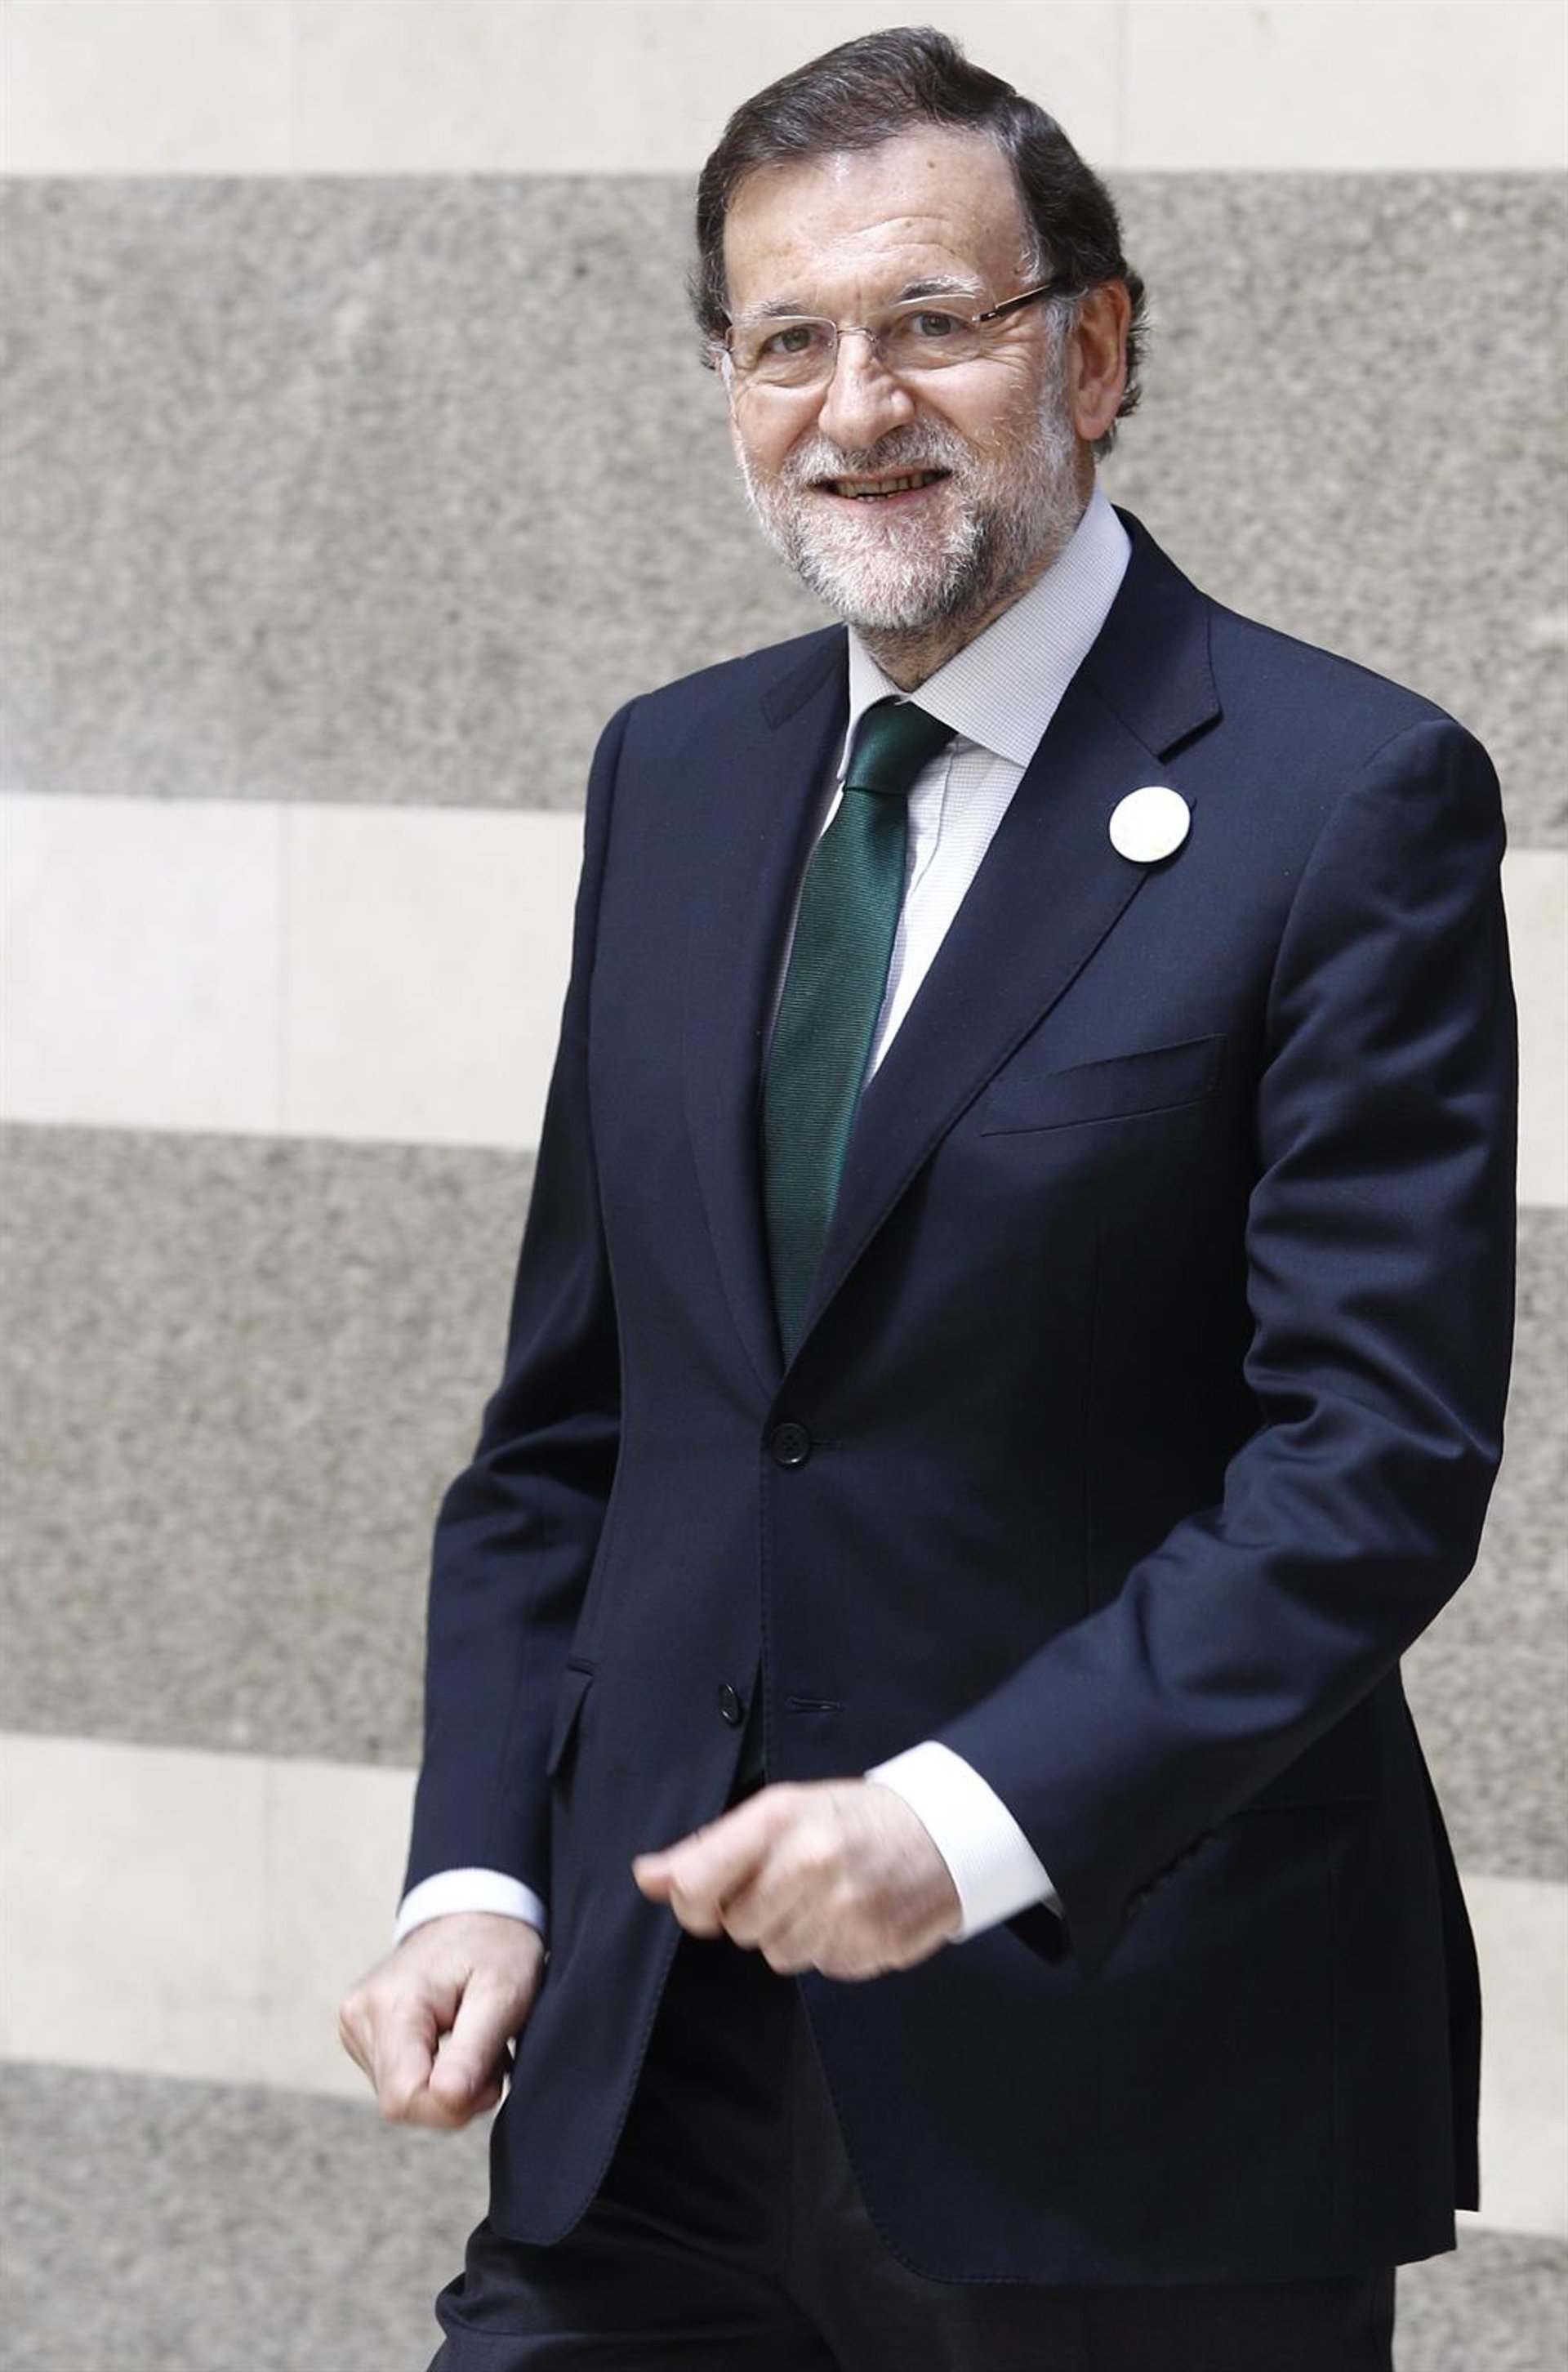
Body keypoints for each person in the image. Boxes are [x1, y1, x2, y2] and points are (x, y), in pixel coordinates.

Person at [337, 27, 1517, 2369]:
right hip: (650, 2070)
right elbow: (581, 1428)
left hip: (1127, 2088)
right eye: (786, 340)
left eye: (932, 324)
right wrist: (476, 1867)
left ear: (1094, 351)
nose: (854, 405)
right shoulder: (676, 774)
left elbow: (1370, 1468)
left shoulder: (1347, 799)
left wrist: (962, 1825)